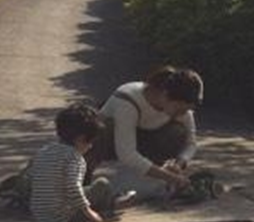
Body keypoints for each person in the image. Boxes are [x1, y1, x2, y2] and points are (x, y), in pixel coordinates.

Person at [86, 66, 203, 195]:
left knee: (177, 132)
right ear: (165, 95)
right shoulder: (128, 99)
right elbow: (126, 154)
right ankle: (83, 185)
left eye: (186, 110)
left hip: (145, 139)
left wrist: (179, 163)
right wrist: (172, 178)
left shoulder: (180, 105)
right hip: (110, 141)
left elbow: (191, 143)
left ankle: (150, 179)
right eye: (179, 109)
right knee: (102, 130)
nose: (182, 114)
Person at [28, 103, 119, 222]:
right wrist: (89, 212)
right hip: (62, 218)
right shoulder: (74, 157)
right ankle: (107, 211)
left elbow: (33, 177)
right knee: (102, 184)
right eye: (90, 142)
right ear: (80, 139)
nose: (91, 147)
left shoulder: (44, 151)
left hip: (39, 216)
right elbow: (73, 187)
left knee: (76, 190)